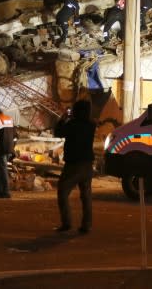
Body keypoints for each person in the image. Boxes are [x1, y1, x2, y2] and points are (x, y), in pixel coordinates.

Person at [53, 99, 96, 234]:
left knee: (63, 191)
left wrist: (64, 118)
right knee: (86, 195)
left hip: (73, 164)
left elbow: (58, 132)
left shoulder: (73, 124)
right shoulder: (91, 125)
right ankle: (86, 225)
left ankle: (67, 223)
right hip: (88, 164)